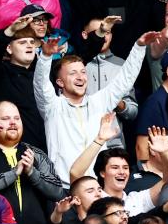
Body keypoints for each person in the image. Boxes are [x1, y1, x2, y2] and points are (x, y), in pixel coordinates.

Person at [34, 29, 148, 185]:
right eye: (73, 73)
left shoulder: (99, 101)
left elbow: (124, 79)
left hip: (98, 186)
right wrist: (45, 57)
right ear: (60, 82)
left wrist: (139, 47)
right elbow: (40, 85)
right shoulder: (53, 106)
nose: (80, 77)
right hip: (66, 187)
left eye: (83, 72)